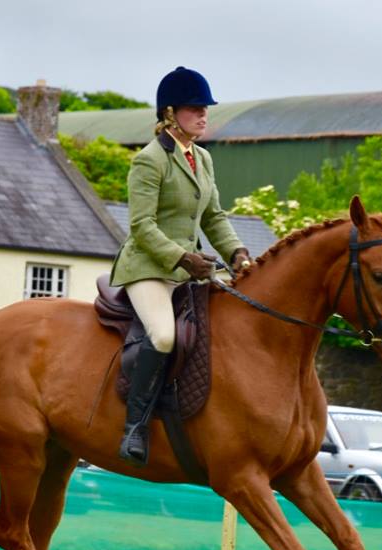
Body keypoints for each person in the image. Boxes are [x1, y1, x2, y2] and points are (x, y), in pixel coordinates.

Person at [109, 66, 251, 467]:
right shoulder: (149, 160)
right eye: (195, 109)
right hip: (149, 269)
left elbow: (214, 217)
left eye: (205, 108)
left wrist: (238, 252)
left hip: (191, 269)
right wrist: (181, 258)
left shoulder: (202, 158)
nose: (204, 115)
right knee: (165, 336)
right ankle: (134, 426)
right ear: (171, 113)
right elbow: (141, 226)